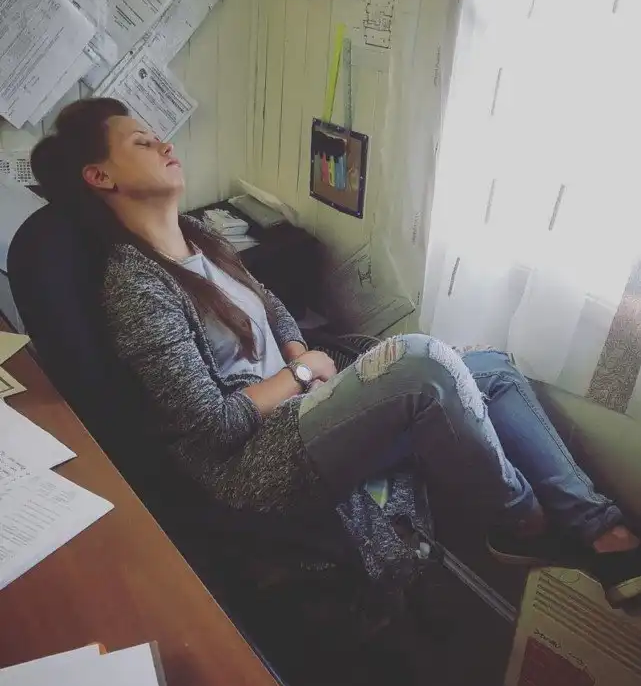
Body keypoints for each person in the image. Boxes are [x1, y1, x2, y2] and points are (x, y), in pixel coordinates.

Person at [30, 98, 641, 608]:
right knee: (424, 364)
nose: (165, 144)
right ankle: (524, 523)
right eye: (142, 141)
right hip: (249, 461)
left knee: (492, 369)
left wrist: (301, 357)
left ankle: (601, 530)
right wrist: (303, 372)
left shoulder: (200, 236)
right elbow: (212, 428)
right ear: (100, 177)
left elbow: (272, 307)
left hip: (301, 408)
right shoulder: (136, 287)